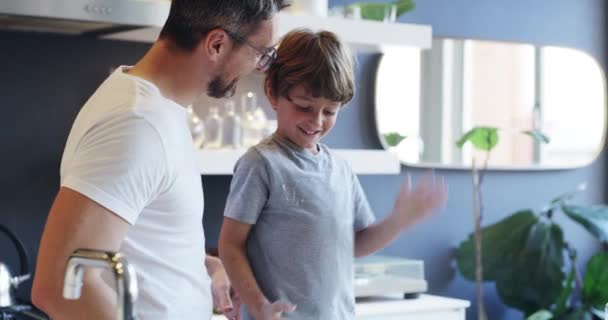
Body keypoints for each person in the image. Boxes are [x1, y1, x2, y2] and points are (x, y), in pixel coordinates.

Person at [31, 1, 290, 319]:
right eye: (262, 53)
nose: (259, 65)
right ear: (217, 44)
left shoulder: (157, 110)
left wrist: (203, 266)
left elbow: (140, 245)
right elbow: (60, 285)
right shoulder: (138, 124)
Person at [218, 29, 448, 320]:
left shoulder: (341, 170)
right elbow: (230, 245)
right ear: (273, 93)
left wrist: (399, 221)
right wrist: (258, 305)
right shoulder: (261, 164)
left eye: (329, 111)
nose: (316, 121)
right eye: (304, 107)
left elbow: (356, 245)